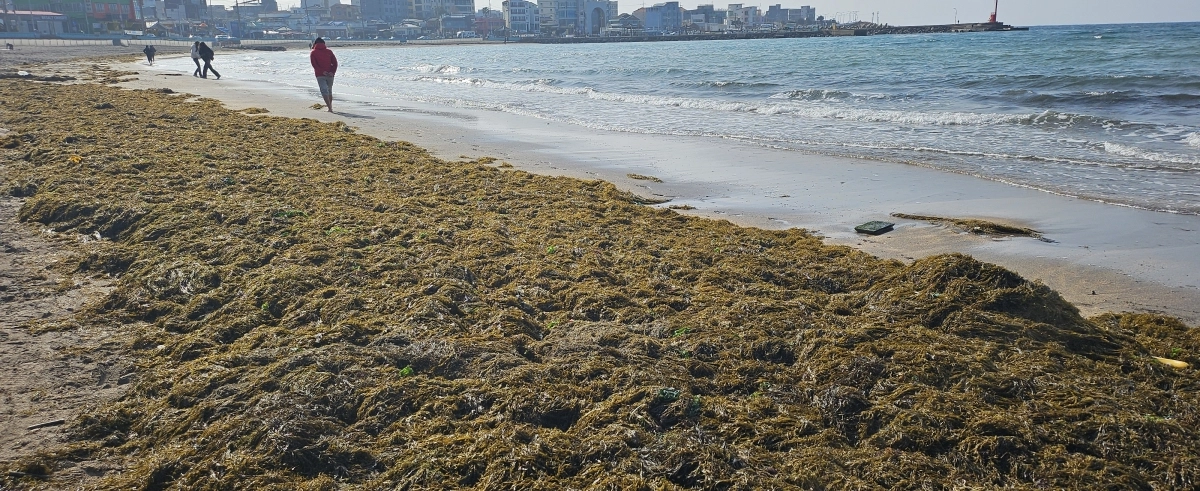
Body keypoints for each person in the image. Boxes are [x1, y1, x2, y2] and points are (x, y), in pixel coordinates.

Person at [309, 38, 338, 112]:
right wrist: (332, 72)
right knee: (329, 90)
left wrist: (322, 71)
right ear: (324, 43)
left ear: (315, 44)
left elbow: (314, 65)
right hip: (330, 74)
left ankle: (330, 108)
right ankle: (330, 106)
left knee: (324, 90)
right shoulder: (329, 51)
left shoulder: (313, 52)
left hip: (320, 75)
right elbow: (335, 63)